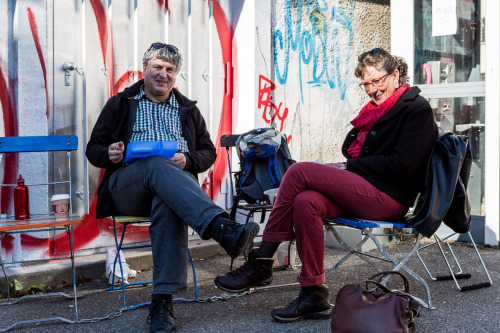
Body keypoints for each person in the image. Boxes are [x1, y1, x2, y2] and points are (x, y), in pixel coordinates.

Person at [214, 47, 439, 323]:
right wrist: (349, 167)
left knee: (298, 172)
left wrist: (350, 167)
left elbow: (404, 166)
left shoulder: (416, 109)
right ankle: (313, 294)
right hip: (365, 187)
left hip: (389, 197)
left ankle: (262, 260)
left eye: (377, 81)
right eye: (366, 84)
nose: (372, 90)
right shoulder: (375, 111)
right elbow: (354, 149)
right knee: (305, 200)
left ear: (395, 75)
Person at [86, 43, 259, 333]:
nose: (163, 74)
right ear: (145, 69)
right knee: (155, 163)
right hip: (129, 185)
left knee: (167, 203)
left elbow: (207, 152)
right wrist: (111, 154)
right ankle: (220, 227)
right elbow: (94, 149)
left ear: (176, 75)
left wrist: (188, 159)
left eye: (170, 69)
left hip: (172, 187)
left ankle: (162, 304)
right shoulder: (121, 103)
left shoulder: (187, 108)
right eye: (157, 66)